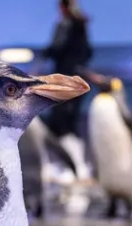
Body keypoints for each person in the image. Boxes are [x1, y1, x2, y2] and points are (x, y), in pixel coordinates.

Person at [39, 0, 93, 138]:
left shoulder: (65, 24)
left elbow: (58, 48)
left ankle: (63, 149)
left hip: (65, 75)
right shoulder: (80, 24)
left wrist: (46, 53)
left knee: (60, 117)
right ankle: (71, 148)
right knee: (70, 117)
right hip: (78, 74)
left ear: (62, 7)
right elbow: (88, 51)